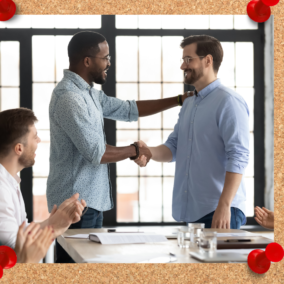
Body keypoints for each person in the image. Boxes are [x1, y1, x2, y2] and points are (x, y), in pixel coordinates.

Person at [47, 30, 193, 263]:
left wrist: (178, 100)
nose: (109, 63)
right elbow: (97, 152)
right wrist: (135, 150)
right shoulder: (70, 97)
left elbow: (128, 109)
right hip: (75, 205)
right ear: (87, 61)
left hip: (91, 202)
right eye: (105, 58)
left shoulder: (89, 94)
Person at [135, 35, 250, 229]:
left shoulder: (229, 102)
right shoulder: (188, 103)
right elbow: (174, 148)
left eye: (189, 59)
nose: (183, 66)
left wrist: (224, 205)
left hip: (220, 212)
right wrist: (148, 152)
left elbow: (239, 156)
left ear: (208, 60)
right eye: (183, 60)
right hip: (193, 212)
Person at [0, 108, 86, 260]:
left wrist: (54, 222)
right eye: (35, 137)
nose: (39, 140)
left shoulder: (8, 179)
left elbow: (19, 233)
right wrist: (53, 227)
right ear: (19, 148)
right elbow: (11, 249)